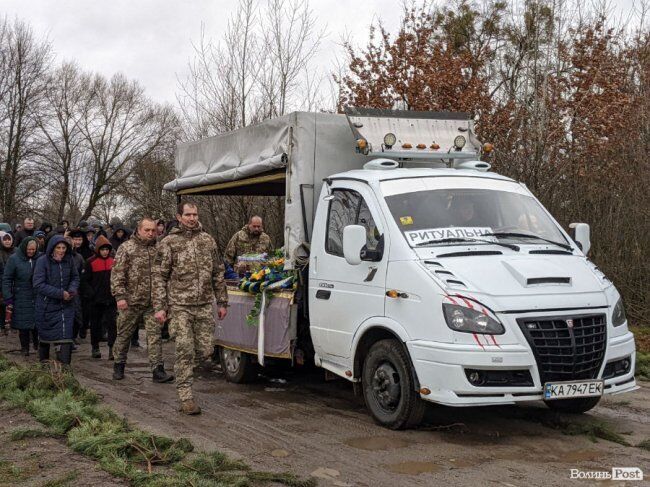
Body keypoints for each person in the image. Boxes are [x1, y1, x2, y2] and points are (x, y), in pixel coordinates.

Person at [153, 202, 228, 415]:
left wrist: (222, 302)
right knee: (184, 349)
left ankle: (185, 372)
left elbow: (218, 272)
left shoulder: (207, 240)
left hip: (203, 303)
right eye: (188, 214)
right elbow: (159, 276)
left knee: (206, 350)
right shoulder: (169, 242)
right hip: (180, 305)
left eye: (195, 214)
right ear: (179, 217)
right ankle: (186, 396)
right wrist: (160, 307)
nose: (192, 218)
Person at [111, 218, 173, 383]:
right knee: (124, 335)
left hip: (153, 303)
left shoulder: (160, 249)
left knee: (155, 336)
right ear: (138, 230)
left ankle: (157, 369)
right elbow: (117, 274)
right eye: (147, 230)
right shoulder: (126, 248)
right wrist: (120, 296)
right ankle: (119, 364)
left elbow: (165, 274)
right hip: (131, 301)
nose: (151, 233)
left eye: (153, 230)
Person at [33, 235, 79, 365]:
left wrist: (71, 289)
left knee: (65, 337)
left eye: (64, 247)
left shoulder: (69, 260)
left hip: (66, 306)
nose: (61, 250)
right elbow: (38, 284)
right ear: (52, 248)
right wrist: (60, 293)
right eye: (58, 247)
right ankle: (44, 368)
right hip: (47, 306)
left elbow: (75, 277)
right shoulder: (43, 261)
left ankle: (65, 371)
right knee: (45, 338)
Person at [2, 237, 40, 354]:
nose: (31, 252)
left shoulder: (40, 258)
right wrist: (8, 296)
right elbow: (7, 278)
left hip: (37, 294)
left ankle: (37, 345)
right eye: (29, 249)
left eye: (33, 250)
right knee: (23, 324)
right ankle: (25, 348)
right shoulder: (14, 259)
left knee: (37, 322)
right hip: (21, 295)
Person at [82, 236, 117, 359]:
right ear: (98, 250)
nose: (105, 252)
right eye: (103, 249)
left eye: (107, 249)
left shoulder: (114, 261)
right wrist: (91, 294)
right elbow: (85, 281)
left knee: (112, 324)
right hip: (95, 300)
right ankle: (95, 347)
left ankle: (112, 348)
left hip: (111, 299)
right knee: (95, 325)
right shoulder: (90, 262)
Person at [0, 231, 14, 333]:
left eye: (9, 239)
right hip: (2, 281)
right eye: (5, 239)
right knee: (3, 304)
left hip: (14, 281)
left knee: (11, 304)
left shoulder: (16, 251)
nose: (7, 241)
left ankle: (10, 323)